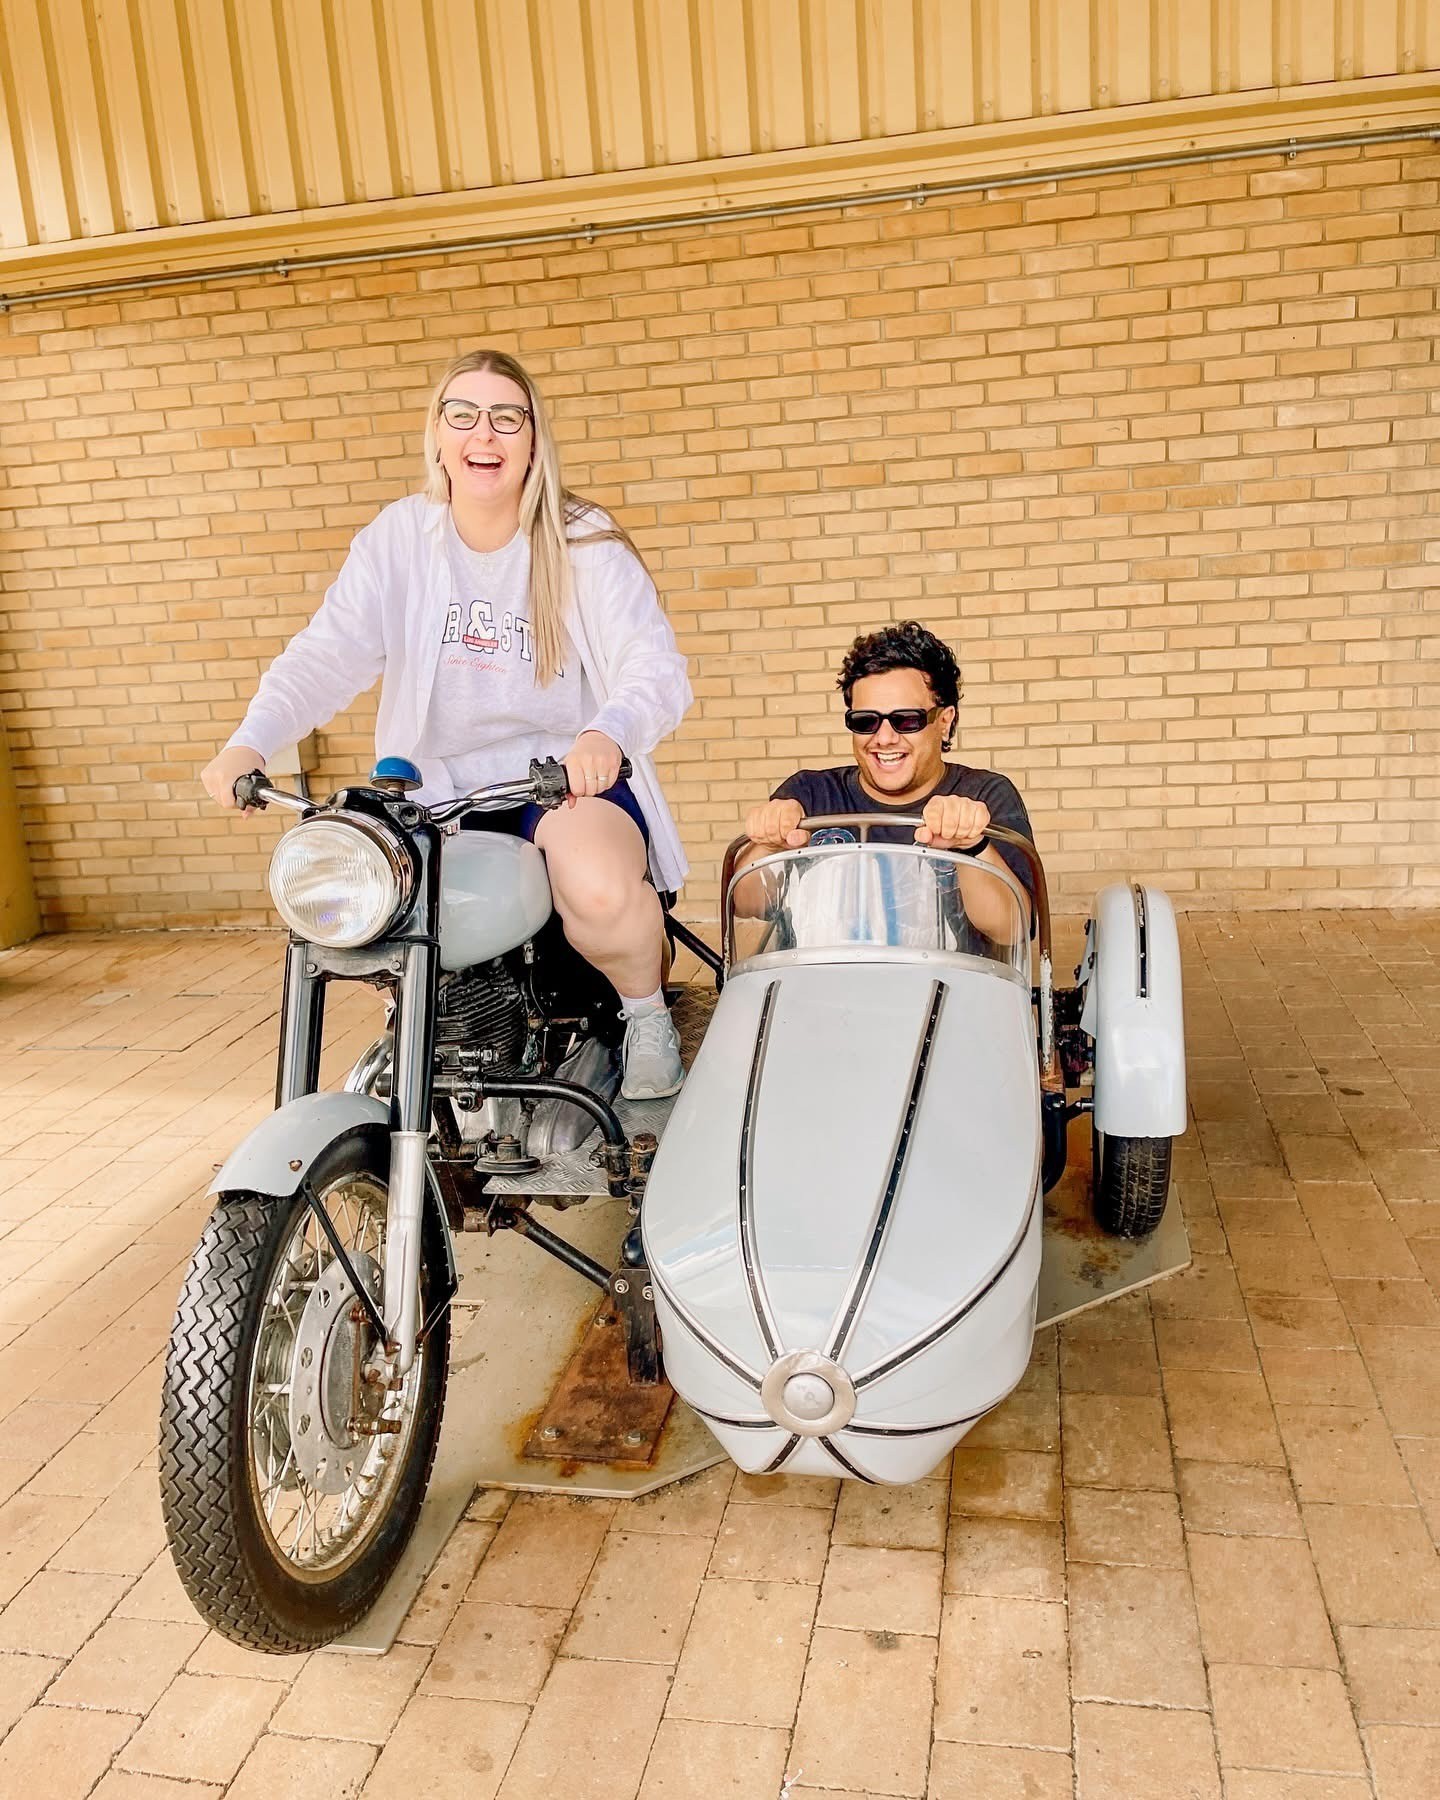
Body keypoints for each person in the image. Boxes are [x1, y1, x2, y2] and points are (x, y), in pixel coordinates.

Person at [202, 349, 692, 1099]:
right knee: (364, 908)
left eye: (506, 417)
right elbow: (326, 653)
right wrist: (252, 738)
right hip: (432, 792)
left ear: (533, 438)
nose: (483, 432)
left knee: (597, 887)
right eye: (462, 414)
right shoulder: (400, 538)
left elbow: (651, 663)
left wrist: (608, 732)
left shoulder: (580, 538)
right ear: (437, 433)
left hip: (558, 779)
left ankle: (646, 1014)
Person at [740, 621, 1034, 942]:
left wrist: (972, 845)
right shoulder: (809, 795)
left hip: (950, 973)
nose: (884, 738)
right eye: (866, 721)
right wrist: (767, 843)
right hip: (820, 973)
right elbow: (746, 904)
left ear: (944, 722)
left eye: (906, 720)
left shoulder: (985, 794)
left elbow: (1012, 931)